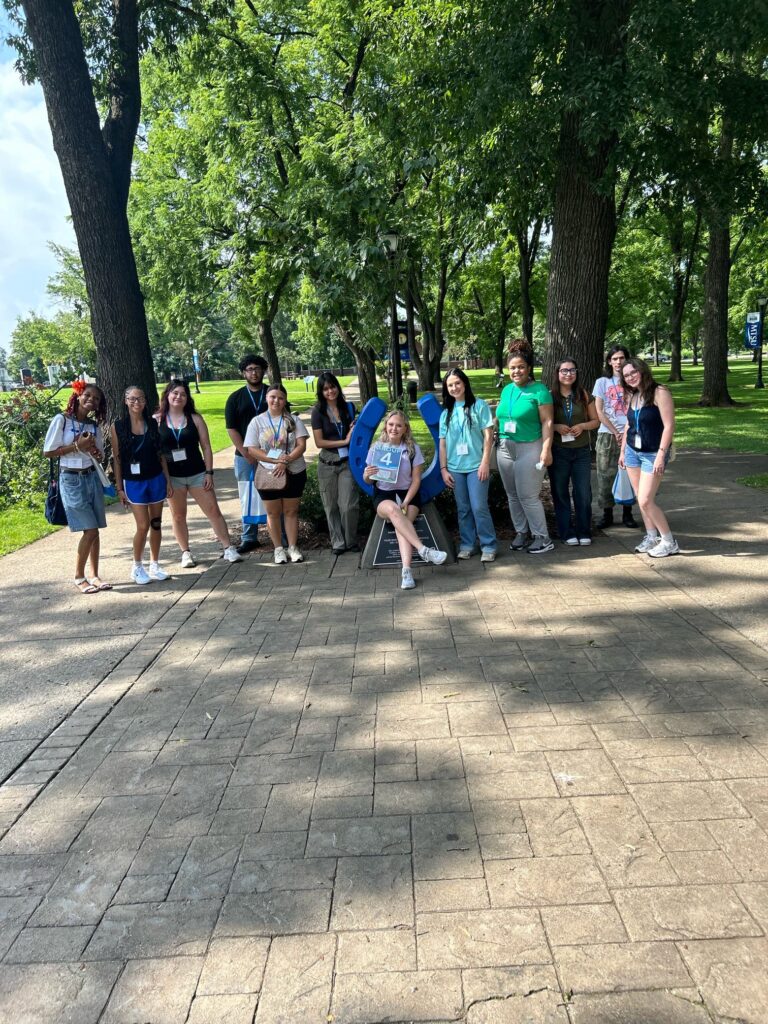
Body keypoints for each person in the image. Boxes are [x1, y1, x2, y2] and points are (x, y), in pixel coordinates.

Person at [156, 379, 242, 566]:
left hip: (197, 473)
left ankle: (228, 548)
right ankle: (185, 552)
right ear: (167, 395)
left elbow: (207, 447)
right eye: (175, 393)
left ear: (187, 398)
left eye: (183, 394)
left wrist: (209, 473)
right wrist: (166, 481)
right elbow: (158, 453)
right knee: (178, 515)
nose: (179, 397)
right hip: (173, 477)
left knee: (213, 511)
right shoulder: (157, 420)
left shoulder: (195, 419)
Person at [362, 410, 447, 590]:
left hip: (408, 493)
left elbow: (416, 480)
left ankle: (406, 572)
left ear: (405, 428)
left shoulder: (412, 449)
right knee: (394, 511)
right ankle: (424, 550)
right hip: (384, 495)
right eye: (391, 424)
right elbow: (369, 481)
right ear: (386, 425)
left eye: (399, 425)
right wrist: (367, 475)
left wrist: (407, 501)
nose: (394, 428)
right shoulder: (376, 448)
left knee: (403, 524)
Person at [43, 381, 112, 594]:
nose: (92, 400)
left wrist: (94, 451)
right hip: (71, 479)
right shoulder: (61, 420)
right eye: (88, 395)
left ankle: (95, 575)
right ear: (79, 395)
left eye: (97, 398)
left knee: (95, 529)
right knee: (89, 529)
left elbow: (98, 456)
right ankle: (79, 577)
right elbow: (48, 451)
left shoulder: (93, 427)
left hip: (91, 477)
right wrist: (76, 446)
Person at [495, 340, 555, 554]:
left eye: (520, 367)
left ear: (529, 368)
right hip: (505, 447)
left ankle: (542, 537)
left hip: (530, 447)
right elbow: (501, 416)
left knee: (528, 496)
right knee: (512, 495)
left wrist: (546, 450)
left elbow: (548, 422)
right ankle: (522, 532)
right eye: (512, 368)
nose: (516, 371)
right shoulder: (507, 390)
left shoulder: (540, 391)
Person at [111, 386, 173, 585]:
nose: (136, 402)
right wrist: (119, 488)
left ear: (146, 401)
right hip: (133, 482)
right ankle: (137, 566)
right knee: (143, 525)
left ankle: (155, 563)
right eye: (132, 399)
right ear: (125, 401)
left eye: (141, 399)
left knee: (156, 523)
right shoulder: (118, 427)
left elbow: (160, 453)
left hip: (155, 477)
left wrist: (168, 480)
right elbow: (117, 459)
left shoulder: (152, 423)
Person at [619, 358, 678, 557]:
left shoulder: (660, 392)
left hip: (653, 453)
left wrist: (662, 455)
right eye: (626, 375)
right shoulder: (632, 395)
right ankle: (651, 536)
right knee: (640, 497)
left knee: (645, 500)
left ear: (642, 371)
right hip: (632, 452)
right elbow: (629, 425)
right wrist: (622, 452)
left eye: (633, 372)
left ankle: (669, 541)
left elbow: (669, 426)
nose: (630, 378)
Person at [244, 383, 309, 564]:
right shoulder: (257, 422)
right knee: (272, 513)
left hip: (294, 471)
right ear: (266, 398)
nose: (276, 401)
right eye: (273, 397)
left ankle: (293, 547)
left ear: (285, 400)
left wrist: (285, 460)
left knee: (291, 510)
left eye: (280, 398)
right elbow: (251, 449)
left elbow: (301, 445)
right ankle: (278, 549)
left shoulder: (293, 420)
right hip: (268, 473)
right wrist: (275, 461)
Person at [438, 368, 496, 561]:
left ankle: (488, 545)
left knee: (479, 506)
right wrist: (443, 469)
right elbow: (443, 443)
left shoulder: (479, 406)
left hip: (476, 466)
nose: (454, 387)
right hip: (455, 468)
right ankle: (467, 544)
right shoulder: (446, 412)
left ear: (465, 384)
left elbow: (489, 437)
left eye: (457, 383)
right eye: (450, 385)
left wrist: (485, 462)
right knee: (463, 508)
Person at [548, 358, 600, 546]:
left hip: (581, 453)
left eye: (572, 370)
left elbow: (596, 421)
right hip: (559, 451)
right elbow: (543, 422)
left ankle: (583, 530)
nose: (568, 374)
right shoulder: (550, 396)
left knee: (583, 492)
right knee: (560, 492)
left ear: (576, 373)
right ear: (557, 373)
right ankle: (566, 532)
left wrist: (582, 426)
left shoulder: (584, 395)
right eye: (564, 371)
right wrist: (555, 426)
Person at [311, 372, 360, 554]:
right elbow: (319, 442)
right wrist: (345, 441)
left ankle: (351, 540)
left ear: (338, 387)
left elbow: (356, 433)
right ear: (321, 392)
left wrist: (354, 430)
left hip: (346, 462)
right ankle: (338, 542)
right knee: (330, 506)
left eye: (333, 387)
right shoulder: (318, 412)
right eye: (325, 389)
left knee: (348, 505)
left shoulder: (348, 407)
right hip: (327, 463)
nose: (330, 391)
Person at [224, 353, 269, 553]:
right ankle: (249, 537)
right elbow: (231, 428)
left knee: (275, 492)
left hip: (271, 455)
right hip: (244, 457)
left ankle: (282, 534)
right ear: (244, 372)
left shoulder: (272, 394)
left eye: (257, 368)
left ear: (263, 371)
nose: (253, 372)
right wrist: (246, 452)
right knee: (247, 494)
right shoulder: (235, 398)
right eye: (249, 369)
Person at [592, 345, 638, 529]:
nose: (619, 362)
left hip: (631, 434)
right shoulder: (602, 382)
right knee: (605, 475)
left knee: (629, 473)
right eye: (615, 358)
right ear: (609, 361)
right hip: (607, 434)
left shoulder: (633, 381)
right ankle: (607, 513)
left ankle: (628, 513)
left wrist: (626, 433)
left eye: (622, 358)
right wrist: (616, 432)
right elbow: (600, 411)